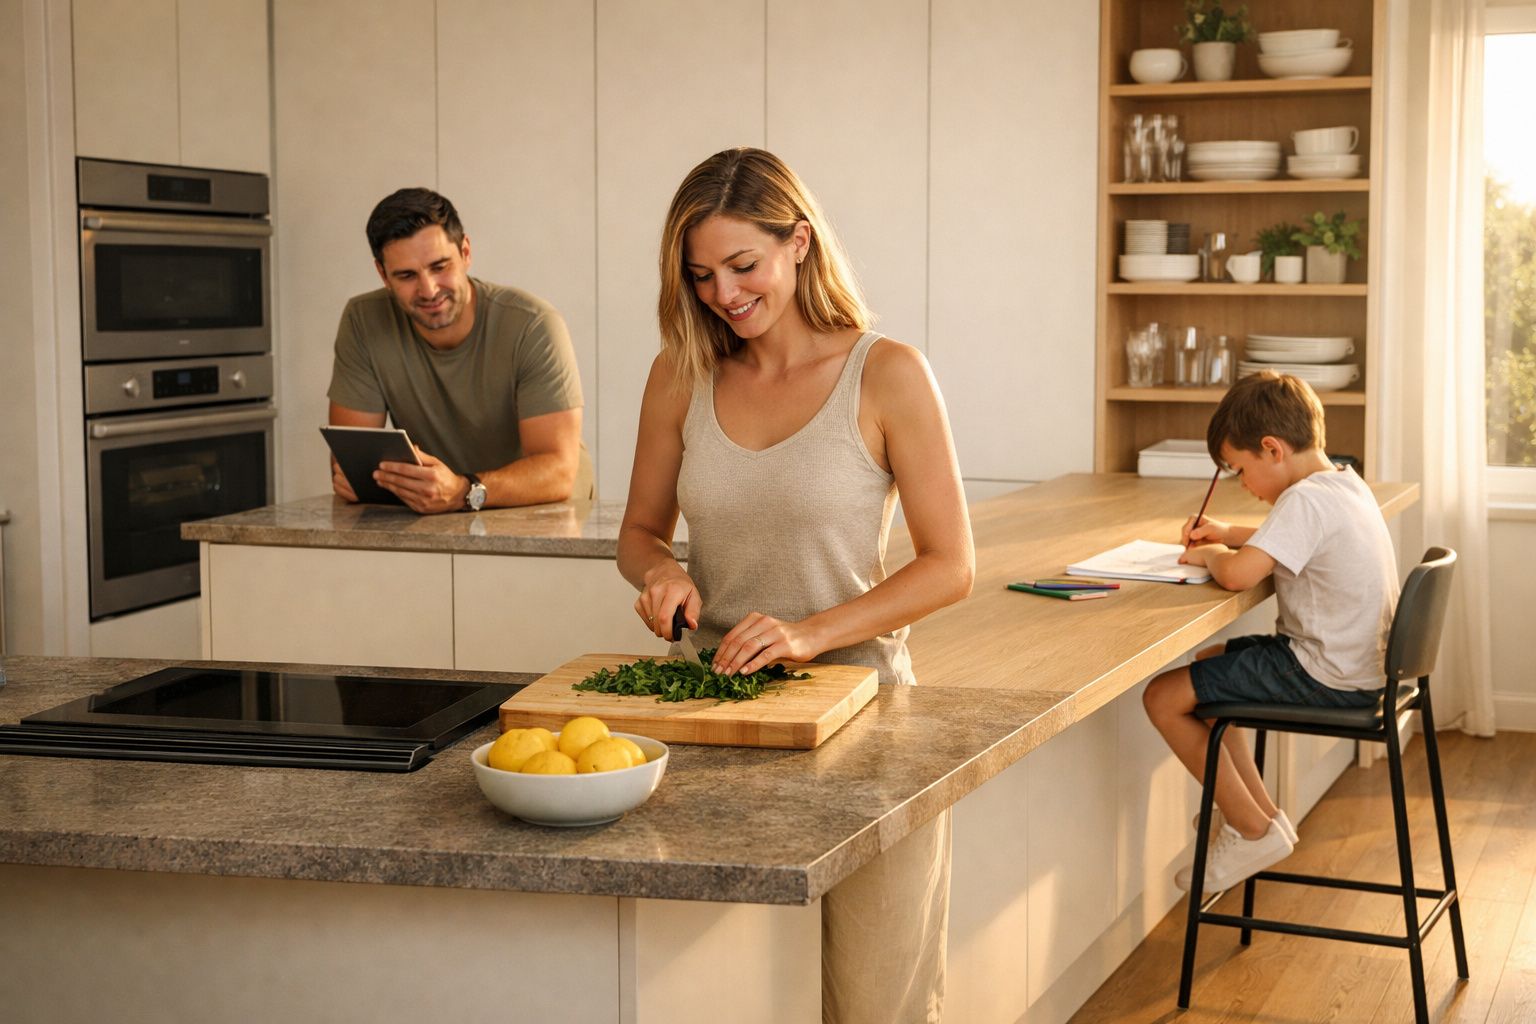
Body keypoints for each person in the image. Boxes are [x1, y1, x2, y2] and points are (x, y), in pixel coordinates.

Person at [616, 147, 975, 1023]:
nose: (724, 295)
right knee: (714, 994)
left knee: (876, 1000)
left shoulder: (887, 372)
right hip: (711, 716)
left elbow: (950, 564)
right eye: (701, 276)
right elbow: (638, 533)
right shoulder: (680, 375)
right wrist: (660, 570)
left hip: (867, 720)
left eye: (744, 266)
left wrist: (810, 633)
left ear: (799, 244)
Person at [1143, 370, 1398, 894]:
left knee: (1163, 697)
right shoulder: (1344, 483)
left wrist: (1214, 552)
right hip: (1358, 668)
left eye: (1240, 470)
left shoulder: (1303, 501)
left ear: (1272, 449)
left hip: (1324, 672)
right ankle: (1259, 819)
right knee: (1207, 666)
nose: (1242, 486)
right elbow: (1296, 537)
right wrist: (1230, 532)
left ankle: (1252, 828)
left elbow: (1236, 575)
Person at [326, 187, 592, 513]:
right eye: (407, 275)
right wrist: (359, 479)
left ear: (465, 252)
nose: (429, 289)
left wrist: (462, 490)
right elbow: (352, 463)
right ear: (383, 274)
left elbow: (559, 472)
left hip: (545, 514)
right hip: (436, 516)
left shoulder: (533, 324)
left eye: (440, 266)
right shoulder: (363, 321)